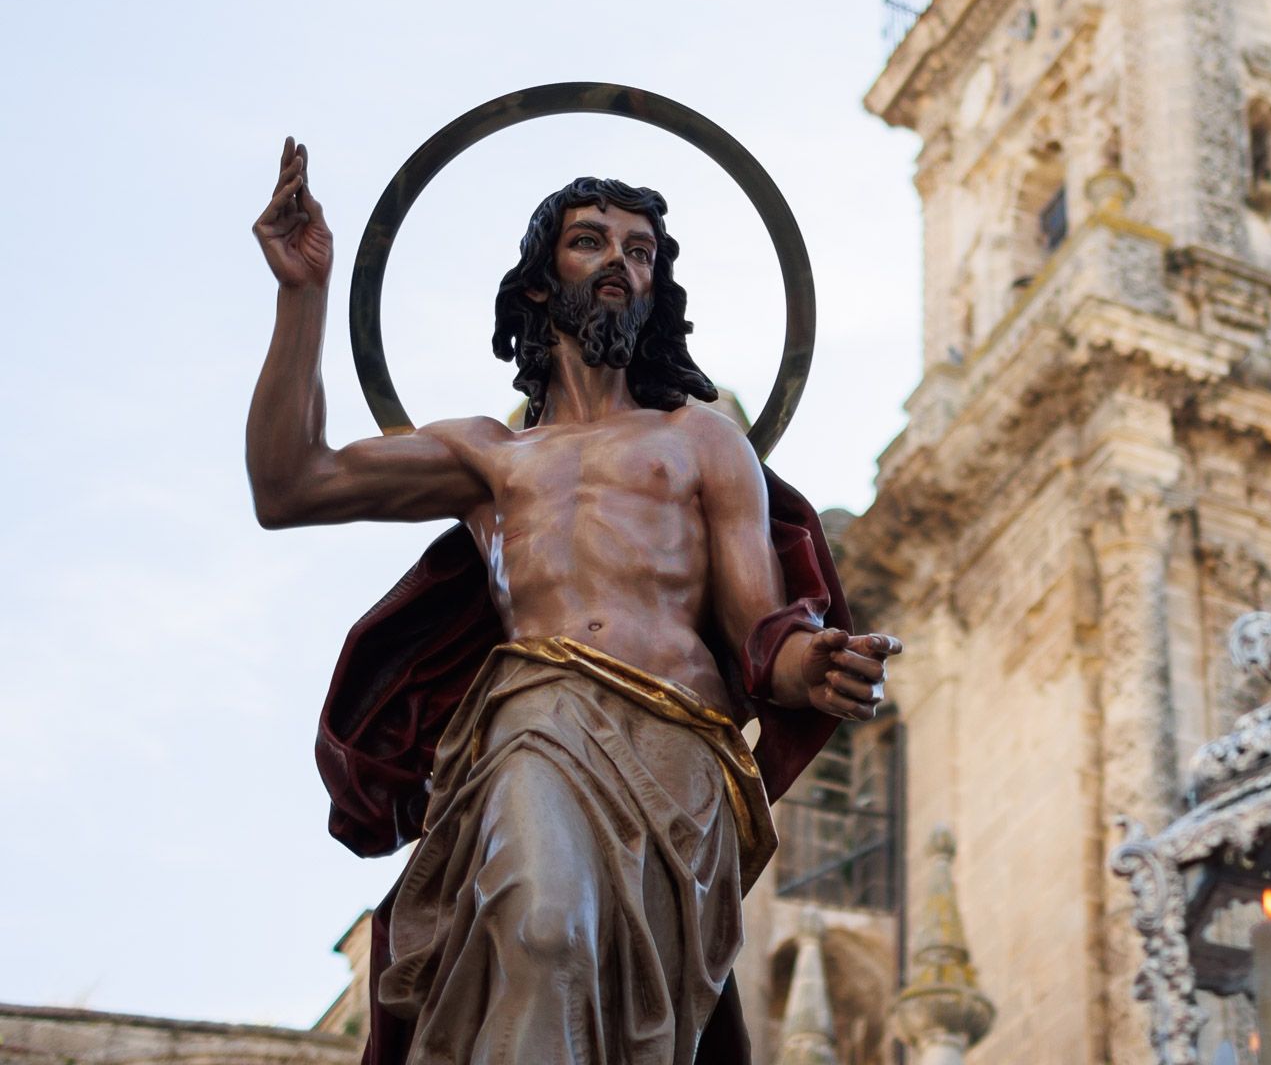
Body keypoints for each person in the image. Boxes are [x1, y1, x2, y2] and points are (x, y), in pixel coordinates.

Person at [247, 138, 899, 1065]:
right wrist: (301, 296)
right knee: (543, 924)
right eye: (591, 241)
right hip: (537, 720)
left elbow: (762, 632)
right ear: (542, 281)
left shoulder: (705, 442)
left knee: (638, 1023)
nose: (619, 263)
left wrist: (816, 662)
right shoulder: (490, 458)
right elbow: (290, 485)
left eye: (639, 250)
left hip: (684, 756)